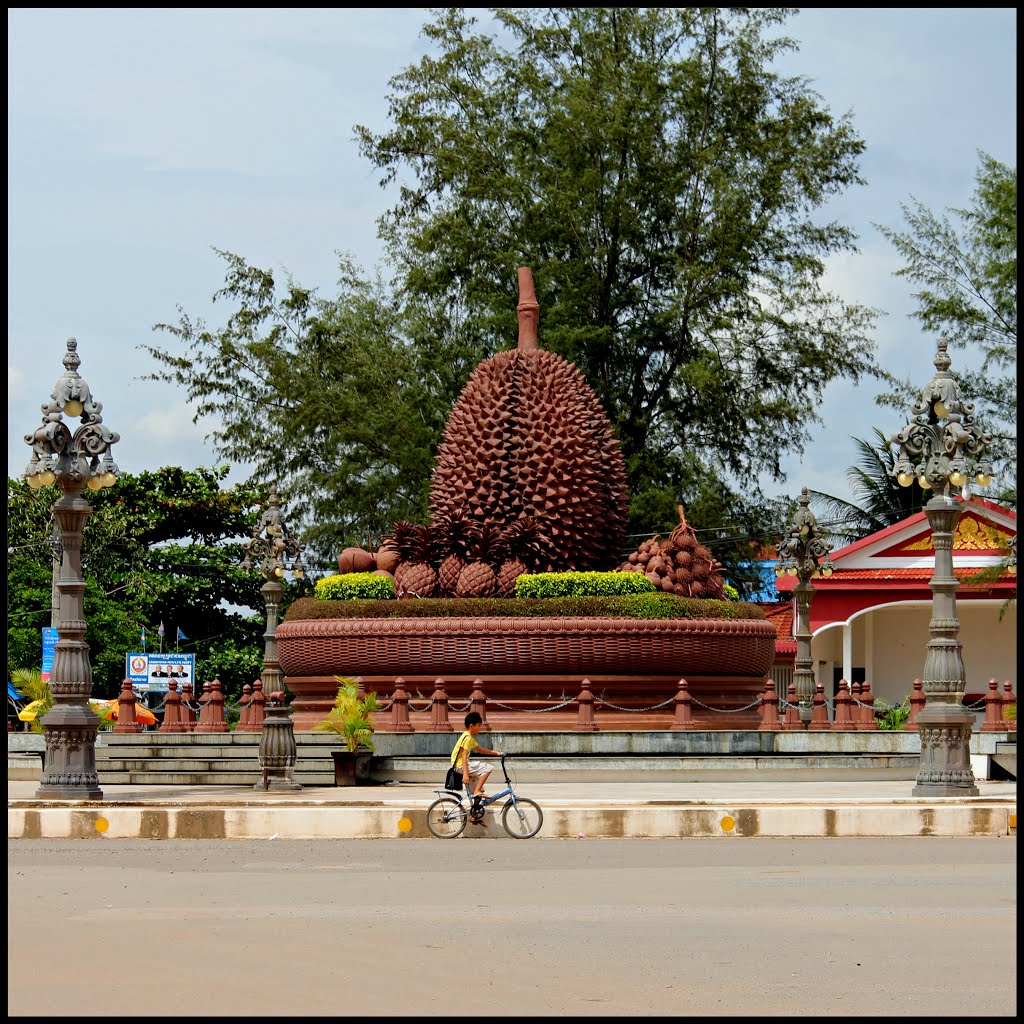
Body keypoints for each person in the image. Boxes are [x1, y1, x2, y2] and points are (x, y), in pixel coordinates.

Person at [451, 711, 503, 826]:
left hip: (460, 766)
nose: (480, 728)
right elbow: (464, 756)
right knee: (487, 768)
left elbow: (481, 750)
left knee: (477, 793)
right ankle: (477, 791)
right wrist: (465, 774)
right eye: (479, 726)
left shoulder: (468, 737)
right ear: (472, 726)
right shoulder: (467, 737)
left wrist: (497, 753)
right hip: (461, 766)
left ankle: (475, 816)